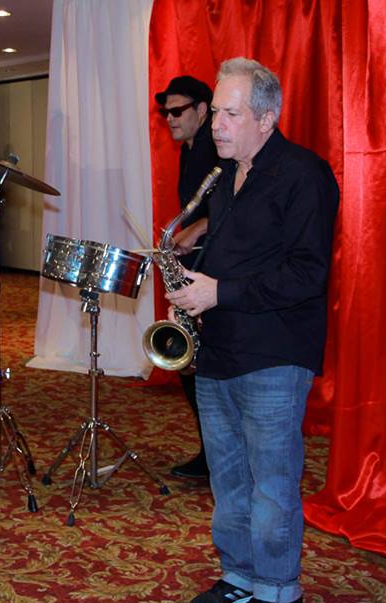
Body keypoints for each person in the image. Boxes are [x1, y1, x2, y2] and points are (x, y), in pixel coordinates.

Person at [166, 58, 339, 603]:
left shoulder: (304, 175)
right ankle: (240, 575)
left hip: (274, 352)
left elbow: (309, 274)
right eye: (215, 112)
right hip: (221, 347)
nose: (216, 124)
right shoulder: (224, 176)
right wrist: (191, 294)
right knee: (229, 478)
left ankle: (281, 592)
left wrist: (220, 292)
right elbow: (229, 259)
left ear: (266, 118)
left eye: (230, 114)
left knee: (271, 482)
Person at [155, 75, 220, 481]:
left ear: (202, 110)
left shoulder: (218, 148)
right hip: (196, 265)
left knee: (203, 364)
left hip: (218, 273)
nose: (170, 118)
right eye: (166, 112)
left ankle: (217, 454)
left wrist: (194, 230)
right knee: (188, 360)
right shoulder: (189, 150)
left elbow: (233, 207)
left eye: (178, 111)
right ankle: (210, 451)